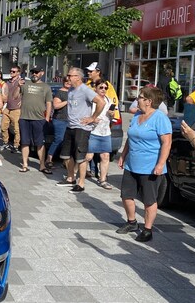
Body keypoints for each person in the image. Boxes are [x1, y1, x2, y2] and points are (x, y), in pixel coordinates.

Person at [116, 87, 172, 242]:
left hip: (150, 167)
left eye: (140, 97)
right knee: (126, 195)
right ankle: (132, 222)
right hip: (132, 164)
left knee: (149, 200)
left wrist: (160, 164)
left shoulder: (160, 118)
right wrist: (123, 155)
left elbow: (167, 143)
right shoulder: (137, 116)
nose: (137, 100)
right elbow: (130, 137)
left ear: (149, 101)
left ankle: (148, 230)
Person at [56, 67, 105, 193]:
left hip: (82, 128)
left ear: (78, 77)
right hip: (70, 126)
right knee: (66, 155)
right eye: (68, 75)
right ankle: (70, 178)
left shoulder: (85, 90)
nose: (68, 78)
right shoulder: (71, 89)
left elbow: (101, 102)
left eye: (70, 75)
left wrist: (93, 117)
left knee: (80, 157)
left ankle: (81, 184)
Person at [18, 66, 52, 173]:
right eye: (33, 72)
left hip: (39, 119)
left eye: (37, 72)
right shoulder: (25, 84)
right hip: (24, 117)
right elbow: (15, 96)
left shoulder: (46, 87)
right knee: (24, 142)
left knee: (40, 143)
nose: (34, 74)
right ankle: (25, 164)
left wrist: (47, 118)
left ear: (41, 73)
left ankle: (42, 165)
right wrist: (17, 86)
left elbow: (49, 103)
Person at [85, 79, 114, 190]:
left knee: (105, 156)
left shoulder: (109, 100)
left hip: (105, 132)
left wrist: (111, 114)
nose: (103, 90)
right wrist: (93, 119)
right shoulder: (91, 101)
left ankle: (102, 180)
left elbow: (112, 117)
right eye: (101, 87)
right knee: (88, 156)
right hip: (93, 131)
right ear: (95, 88)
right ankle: (73, 174)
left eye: (105, 88)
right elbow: (85, 114)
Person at [45, 76, 71, 167]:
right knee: (58, 139)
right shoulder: (60, 92)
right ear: (63, 82)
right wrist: (67, 102)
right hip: (60, 119)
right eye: (66, 81)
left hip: (70, 120)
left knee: (67, 141)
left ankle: (65, 161)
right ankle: (49, 159)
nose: (68, 82)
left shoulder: (73, 92)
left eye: (70, 81)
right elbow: (56, 106)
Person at [1, 65, 24, 152]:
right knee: (3, 127)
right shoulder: (8, 82)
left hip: (16, 108)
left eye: (13, 71)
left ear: (18, 73)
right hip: (8, 107)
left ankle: (16, 145)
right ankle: (5, 142)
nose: (11, 73)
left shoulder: (22, 82)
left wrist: (23, 101)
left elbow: (25, 93)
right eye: (11, 71)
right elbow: (5, 94)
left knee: (16, 129)